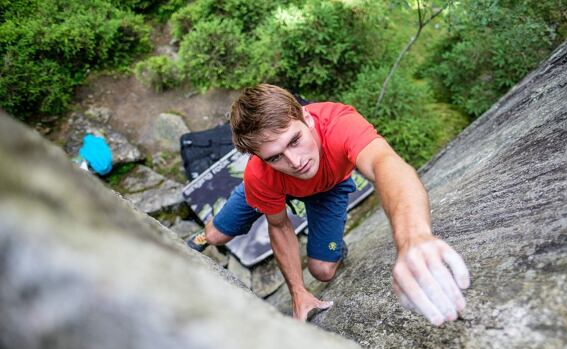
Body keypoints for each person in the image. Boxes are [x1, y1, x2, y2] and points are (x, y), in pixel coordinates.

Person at [188, 84, 470, 324]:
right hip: (272, 187)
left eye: (295, 140)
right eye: (275, 156)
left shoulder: (339, 123)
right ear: (261, 158)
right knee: (216, 235)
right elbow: (280, 226)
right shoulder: (260, 173)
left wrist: (413, 238)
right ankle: (201, 237)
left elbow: (385, 165)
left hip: (328, 189)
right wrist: (298, 292)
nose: (295, 162)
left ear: (306, 118)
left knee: (322, 270)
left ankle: (333, 247)